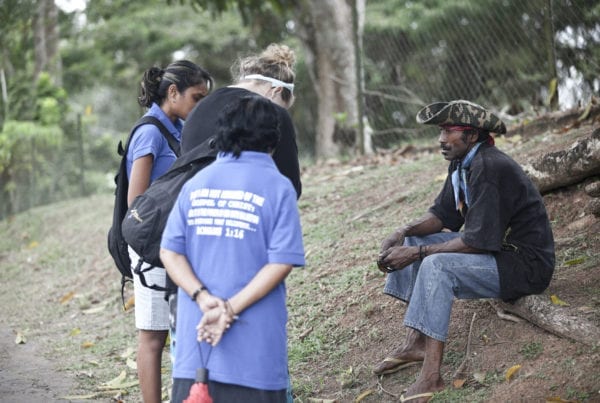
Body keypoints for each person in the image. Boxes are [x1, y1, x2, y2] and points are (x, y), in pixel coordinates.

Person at [373, 100, 555, 403]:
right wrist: (403, 233)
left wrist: (419, 255)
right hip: (496, 250)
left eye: (449, 131)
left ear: (471, 135)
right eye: (441, 131)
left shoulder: (489, 166)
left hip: (523, 264)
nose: (441, 140)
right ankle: (415, 343)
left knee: (435, 264)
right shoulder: (463, 162)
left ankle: (432, 376)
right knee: (415, 244)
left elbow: (477, 241)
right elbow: (443, 216)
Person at [160, 94, 305, 403]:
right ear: (273, 139)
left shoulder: (195, 185)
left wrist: (202, 297)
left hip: (196, 349)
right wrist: (229, 308)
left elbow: (170, 252)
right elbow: (281, 262)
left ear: (221, 133)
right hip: (255, 355)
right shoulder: (278, 187)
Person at [127, 60, 213, 403]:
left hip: (174, 244)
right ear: (173, 92)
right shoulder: (150, 131)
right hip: (151, 247)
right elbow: (137, 202)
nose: (201, 106)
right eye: (197, 97)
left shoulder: (178, 128)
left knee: (179, 331)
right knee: (152, 338)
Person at [181, 42, 301, 198]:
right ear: (275, 91)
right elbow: (290, 186)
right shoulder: (274, 113)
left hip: (192, 203)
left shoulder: (200, 107)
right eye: (283, 106)